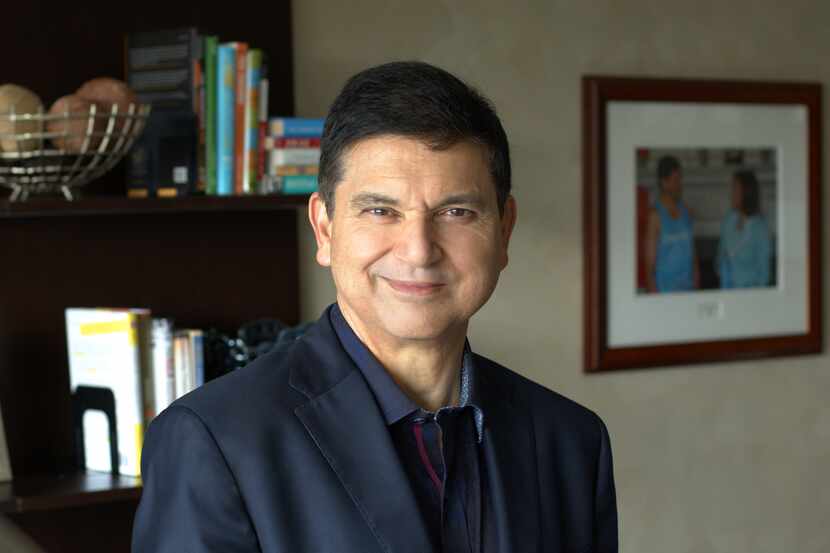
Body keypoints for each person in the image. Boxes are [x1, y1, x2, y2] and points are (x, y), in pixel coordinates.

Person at [132, 61, 618, 553]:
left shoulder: (571, 443)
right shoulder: (216, 442)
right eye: (381, 211)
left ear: (504, 230)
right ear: (324, 228)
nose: (418, 249)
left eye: (455, 212)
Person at [644, 155, 700, 293]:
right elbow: (649, 265)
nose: (679, 184)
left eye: (680, 179)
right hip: (665, 294)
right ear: (664, 182)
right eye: (675, 180)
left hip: (688, 290)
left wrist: (697, 284)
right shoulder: (655, 216)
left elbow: (693, 255)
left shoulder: (686, 211)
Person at [716, 170, 772, 288]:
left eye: (735, 189)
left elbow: (764, 274)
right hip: (726, 291)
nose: (730, 194)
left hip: (750, 296)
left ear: (747, 193)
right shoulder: (728, 220)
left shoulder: (760, 228)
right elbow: (720, 256)